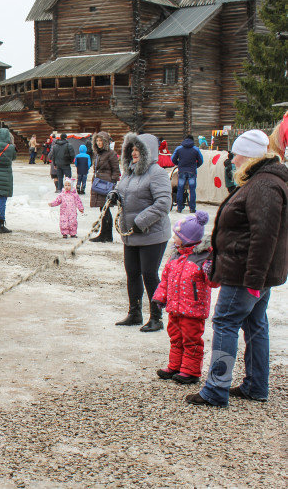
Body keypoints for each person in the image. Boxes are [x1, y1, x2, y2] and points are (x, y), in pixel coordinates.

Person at [187, 130, 288, 407]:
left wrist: (254, 278)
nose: (232, 160)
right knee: (255, 325)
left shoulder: (263, 186)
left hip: (245, 273)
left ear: (249, 156)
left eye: (236, 155)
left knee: (225, 323)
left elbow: (264, 235)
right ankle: (256, 386)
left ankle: (215, 390)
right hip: (252, 272)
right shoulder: (262, 181)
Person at [109, 133, 172, 332]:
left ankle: (156, 317)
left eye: (138, 149)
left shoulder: (157, 173)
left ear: (148, 152)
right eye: (132, 149)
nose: (134, 153)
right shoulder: (129, 172)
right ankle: (135, 313)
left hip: (152, 234)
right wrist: (114, 194)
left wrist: (141, 221)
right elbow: (124, 191)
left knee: (149, 274)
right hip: (131, 233)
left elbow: (163, 203)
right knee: (132, 272)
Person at [153, 211, 214, 385]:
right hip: (175, 307)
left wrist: (211, 268)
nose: (173, 238)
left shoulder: (203, 258)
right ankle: (175, 365)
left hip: (193, 309)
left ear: (188, 238)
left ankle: (191, 370)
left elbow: (213, 282)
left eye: (177, 235)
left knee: (191, 339)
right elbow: (166, 279)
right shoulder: (175, 256)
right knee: (175, 336)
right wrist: (160, 297)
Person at [90, 131, 121, 243]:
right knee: (103, 209)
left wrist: (112, 184)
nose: (99, 143)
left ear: (105, 141)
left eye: (100, 141)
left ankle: (105, 234)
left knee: (105, 208)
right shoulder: (98, 154)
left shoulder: (111, 154)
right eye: (97, 140)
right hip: (99, 183)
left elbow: (116, 170)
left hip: (106, 184)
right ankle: (105, 234)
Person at [171, 134, 204, 213]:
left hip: (182, 171)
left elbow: (172, 159)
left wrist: (178, 164)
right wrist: (195, 166)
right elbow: (201, 161)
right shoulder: (196, 149)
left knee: (180, 189)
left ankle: (179, 208)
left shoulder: (179, 148)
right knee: (192, 190)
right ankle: (192, 208)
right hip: (192, 171)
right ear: (192, 140)